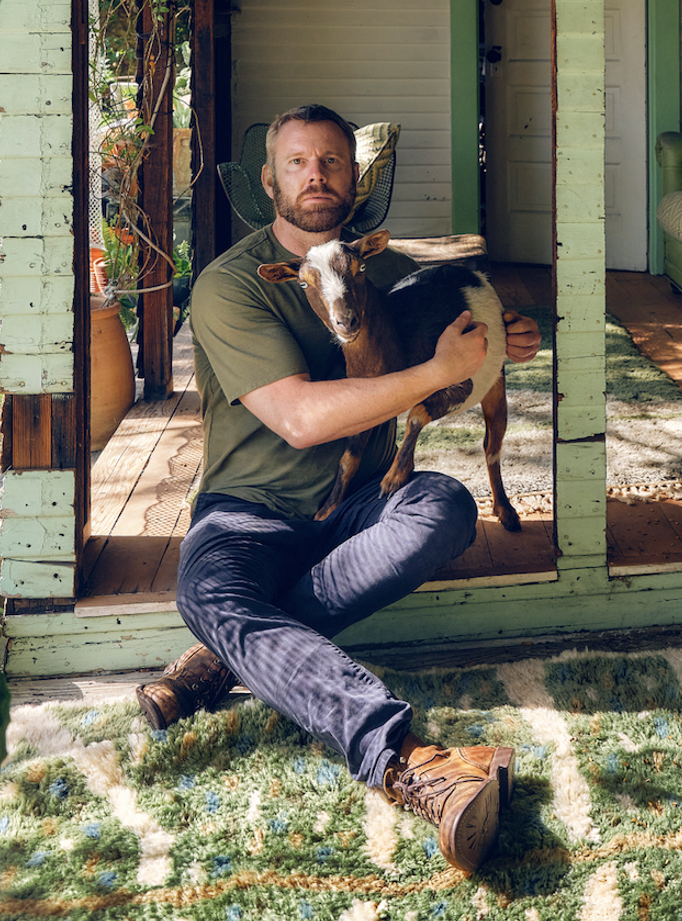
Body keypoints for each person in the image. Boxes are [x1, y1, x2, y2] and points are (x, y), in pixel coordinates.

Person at [134, 104, 541, 875]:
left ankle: (225, 661)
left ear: (355, 180)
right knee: (209, 594)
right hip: (249, 516)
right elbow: (296, 419)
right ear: (270, 181)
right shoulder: (233, 284)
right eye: (297, 162)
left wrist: (501, 341)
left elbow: (453, 337)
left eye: (332, 161)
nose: (315, 174)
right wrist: (434, 374)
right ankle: (409, 761)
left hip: (358, 506)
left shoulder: (384, 272)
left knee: (445, 507)